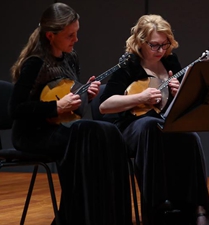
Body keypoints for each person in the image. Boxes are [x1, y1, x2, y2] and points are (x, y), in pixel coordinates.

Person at [9, 3, 132, 225]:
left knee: (106, 132)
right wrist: (56, 108)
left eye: (76, 33)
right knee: (86, 134)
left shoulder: (70, 57)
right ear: (50, 36)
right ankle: (74, 218)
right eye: (70, 35)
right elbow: (16, 109)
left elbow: (69, 101)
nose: (75, 39)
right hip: (33, 133)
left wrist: (86, 95)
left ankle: (106, 216)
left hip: (63, 127)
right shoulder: (35, 63)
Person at [99, 14, 209, 225]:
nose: (160, 50)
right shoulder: (129, 66)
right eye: (154, 45)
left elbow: (180, 105)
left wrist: (179, 93)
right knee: (150, 126)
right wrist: (140, 97)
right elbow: (104, 105)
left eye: (164, 44)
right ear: (141, 42)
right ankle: (157, 207)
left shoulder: (171, 61)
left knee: (190, 135)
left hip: (163, 124)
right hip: (133, 128)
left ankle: (196, 207)